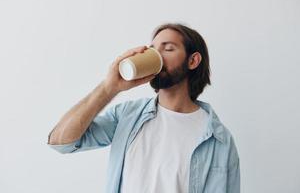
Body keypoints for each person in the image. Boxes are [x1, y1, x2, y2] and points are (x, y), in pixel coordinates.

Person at [47, 23, 240, 193]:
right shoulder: (127, 116)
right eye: (153, 49)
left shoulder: (219, 140)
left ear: (192, 61)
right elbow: (61, 142)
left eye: (168, 49)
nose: (157, 56)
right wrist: (109, 88)